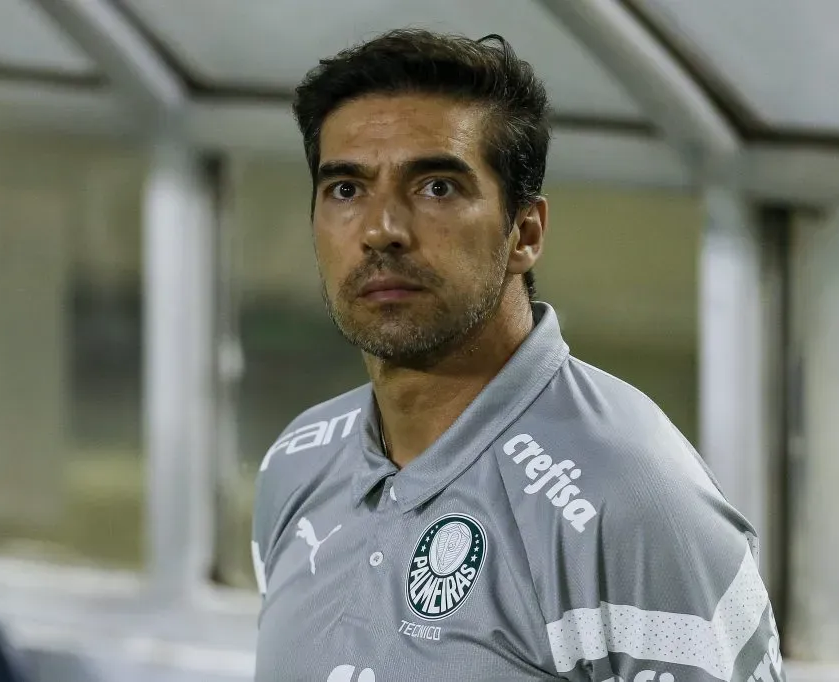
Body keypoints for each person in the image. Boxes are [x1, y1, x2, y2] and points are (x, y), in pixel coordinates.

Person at [251, 28, 787, 682]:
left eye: (437, 187)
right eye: (346, 189)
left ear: (525, 233)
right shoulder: (298, 463)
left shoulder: (629, 501)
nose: (381, 230)